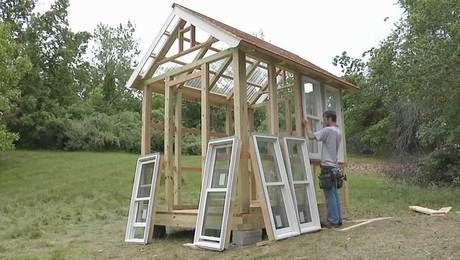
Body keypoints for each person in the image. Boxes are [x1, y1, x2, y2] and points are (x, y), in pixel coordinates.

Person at [303, 110, 342, 228]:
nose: (323, 121)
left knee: (329, 195)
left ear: (329, 119)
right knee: (334, 194)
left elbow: (310, 136)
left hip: (327, 167)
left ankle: (333, 221)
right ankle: (338, 219)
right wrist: (324, 126)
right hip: (334, 167)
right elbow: (327, 133)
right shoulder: (337, 131)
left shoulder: (327, 130)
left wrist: (306, 124)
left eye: (324, 119)